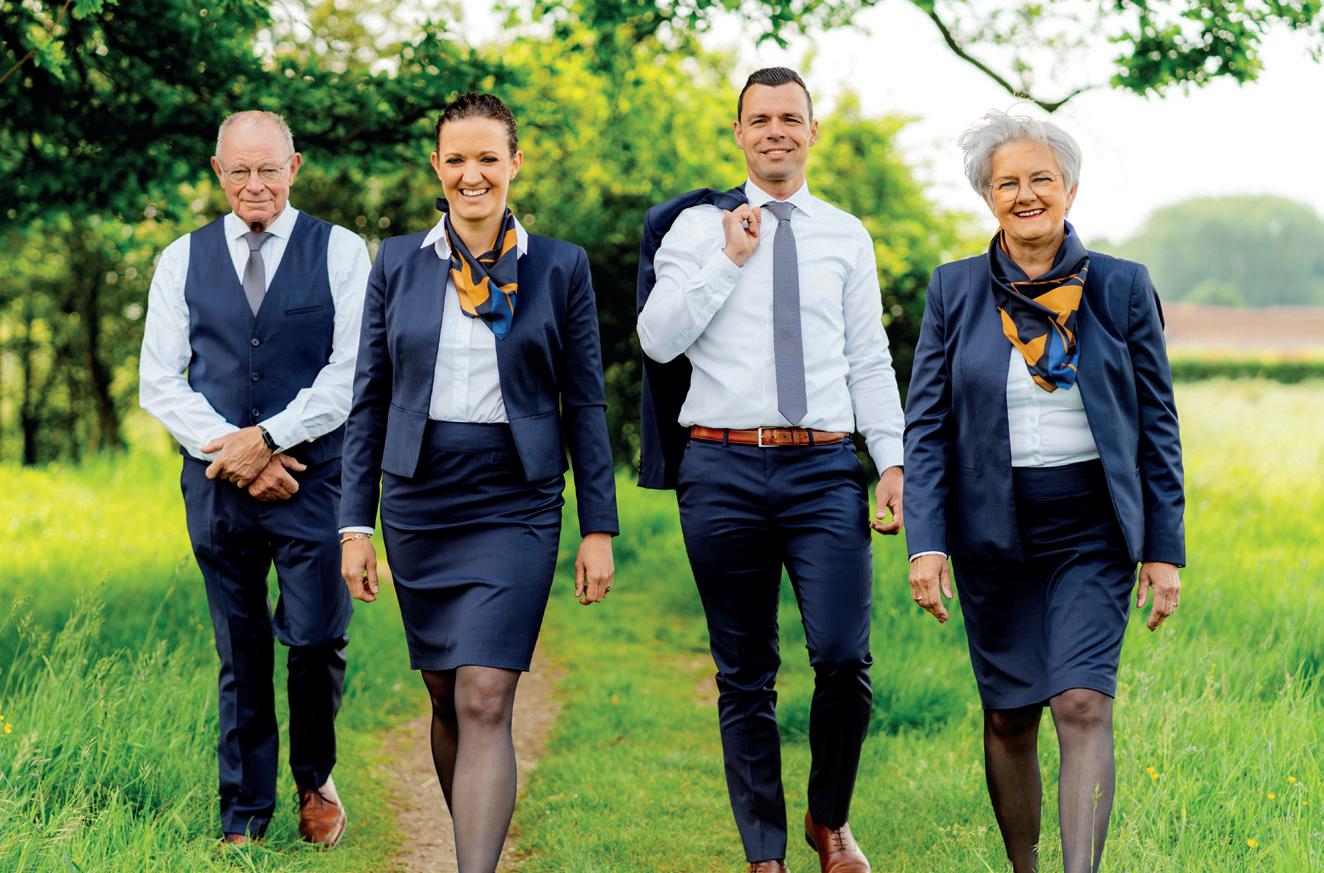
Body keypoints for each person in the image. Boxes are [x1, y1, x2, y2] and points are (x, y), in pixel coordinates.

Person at [338, 92, 618, 873]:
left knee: (485, 694)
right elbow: (369, 398)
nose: (473, 175)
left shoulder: (560, 267)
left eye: (488, 158)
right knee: (444, 692)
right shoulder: (398, 262)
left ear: (514, 163)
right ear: (437, 166)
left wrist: (598, 526)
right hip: (420, 497)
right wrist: (355, 525)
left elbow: (585, 401)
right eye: (457, 159)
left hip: (516, 498)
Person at [903, 109, 1185, 873]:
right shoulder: (954, 290)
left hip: (1092, 527)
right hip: (989, 530)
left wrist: (1163, 550)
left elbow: (1158, 426)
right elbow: (926, 426)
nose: (1025, 195)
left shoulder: (1122, 287)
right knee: (1009, 714)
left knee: (1082, 702)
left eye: (1041, 179)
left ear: (1070, 188)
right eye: (1008, 183)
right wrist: (926, 542)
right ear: (987, 197)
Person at [637, 67, 904, 873]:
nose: (776, 130)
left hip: (823, 469)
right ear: (739, 134)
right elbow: (656, 338)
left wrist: (891, 460)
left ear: (813, 132)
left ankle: (830, 817)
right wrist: (727, 258)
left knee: (843, 657)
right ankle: (765, 852)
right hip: (720, 466)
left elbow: (869, 359)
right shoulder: (695, 230)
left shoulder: (847, 236)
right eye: (760, 119)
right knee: (745, 672)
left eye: (791, 117)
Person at [139, 110, 369, 846]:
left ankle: (315, 775)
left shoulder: (340, 251)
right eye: (239, 170)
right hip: (217, 485)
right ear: (218, 172)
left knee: (318, 635)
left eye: (269, 169)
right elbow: (160, 380)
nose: (255, 184)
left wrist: (269, 440)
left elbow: (351, 370)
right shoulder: (181, 258)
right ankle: (243, 811)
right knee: (238, 648)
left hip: (315, 478)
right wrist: (238, 454)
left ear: (293, 168)